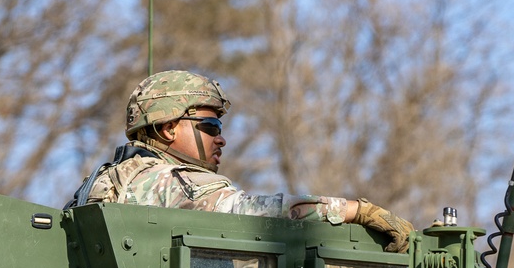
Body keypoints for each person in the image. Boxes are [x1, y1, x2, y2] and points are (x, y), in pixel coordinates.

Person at [66, 70, 414, 253]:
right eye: (210, 126)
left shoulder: (109, 180)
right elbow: (250, 212)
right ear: (168, 128)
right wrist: (355, 211)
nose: (221, 139)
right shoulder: (166, 181)